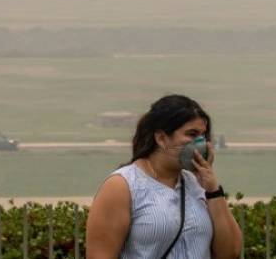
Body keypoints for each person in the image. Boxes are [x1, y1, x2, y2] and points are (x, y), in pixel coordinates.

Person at [86, 95, 242, 259]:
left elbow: (230, 252)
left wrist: (213, 190)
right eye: (191, 134)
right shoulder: (123, 186)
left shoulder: (198, 185)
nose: (200, 143)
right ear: (161, 138)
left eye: (203, 135)